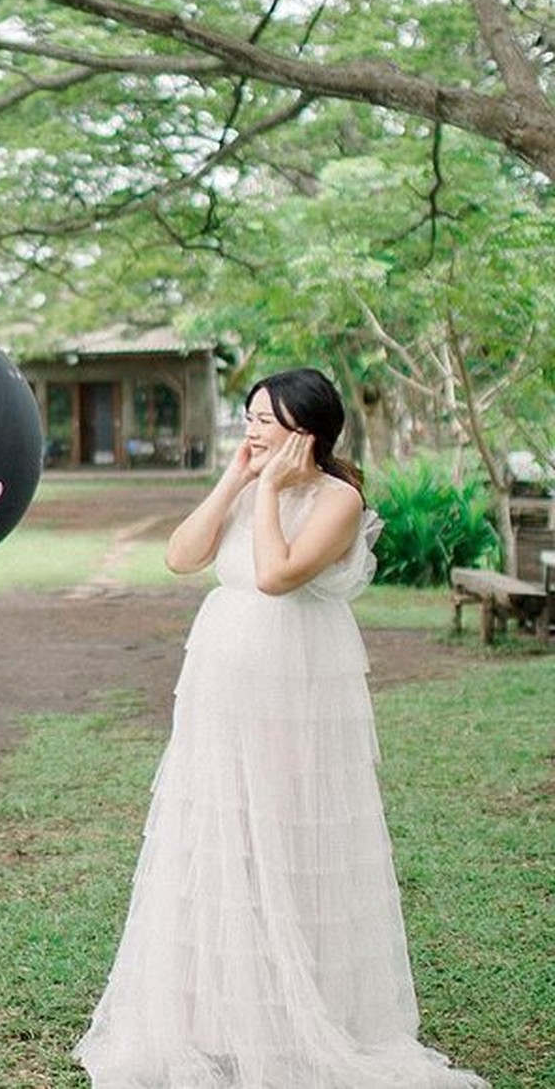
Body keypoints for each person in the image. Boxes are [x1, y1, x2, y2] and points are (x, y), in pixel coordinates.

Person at [74, 367, 489, 1089]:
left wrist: (268, 492)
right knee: (221, 830)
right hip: (221, 678)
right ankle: (218, 1016)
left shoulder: (339, 499)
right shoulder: (247, 483)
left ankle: (305, 1008)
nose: (253, 427)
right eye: (250, 415)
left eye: (267, 418)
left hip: (295, 678)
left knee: (290, 828)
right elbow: (181, 557)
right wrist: (235, 482)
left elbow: (275, 575)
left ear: (310, 429)